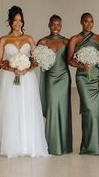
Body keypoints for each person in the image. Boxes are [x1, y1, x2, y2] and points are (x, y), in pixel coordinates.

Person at [0, 6, 48, 157]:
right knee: (11, 108)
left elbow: (36, 59)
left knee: (27, 107)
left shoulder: (29, 39)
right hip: (10, 78)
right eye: (15, 20)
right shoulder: (4, 40)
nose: (18, 23)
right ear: (10, 21)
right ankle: (13, 146)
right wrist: (13, 69)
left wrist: (26, 68)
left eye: (20, 20)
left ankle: (28, 145)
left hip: (27, 78)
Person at [67, 13, 99, 155]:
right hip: (82, 78)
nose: (89, 24)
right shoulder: (75, 39)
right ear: (81, 22)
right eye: (86, 21)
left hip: (96, 78)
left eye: (91, 21)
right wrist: (82, 65)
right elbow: (70, 60)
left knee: (97, 111)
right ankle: (88, 146)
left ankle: (97, 146)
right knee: (88, 110)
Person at [37, 14, 72, 155]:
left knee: (63, 109)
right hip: (50, 78)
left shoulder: (66, 42)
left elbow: (71, 60)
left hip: (64, 77)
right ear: (48, 25)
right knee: (52, 108)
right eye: (53, 24)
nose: (55, 27)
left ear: (61, 26)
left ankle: (64, 146)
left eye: (58, 24)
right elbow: (35, 59)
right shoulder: (43, 42)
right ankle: (52, 145)